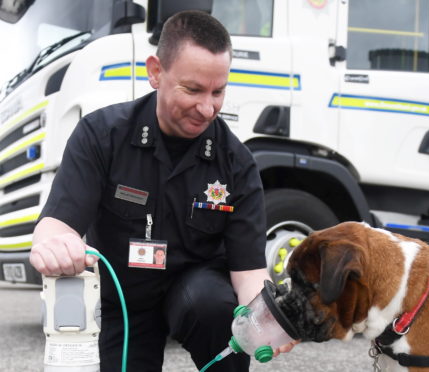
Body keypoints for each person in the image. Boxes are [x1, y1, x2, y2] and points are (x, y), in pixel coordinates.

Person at [30, 10, 295, 372]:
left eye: (218, 91)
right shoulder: (101, 136)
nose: (207, 108)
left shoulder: (237, 163)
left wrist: (269, 319)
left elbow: (248, 273)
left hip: (195, 294)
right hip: (124, 299)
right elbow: (56, 225)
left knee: (216, 307)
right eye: (193, 89)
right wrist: (54, 245)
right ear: (155, 71)